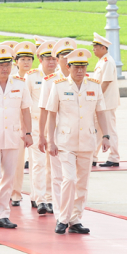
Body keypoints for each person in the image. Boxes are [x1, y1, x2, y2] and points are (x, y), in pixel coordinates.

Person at [46, 48, 110, 235]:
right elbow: (51, 115)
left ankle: (75, 219)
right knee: (70, 179)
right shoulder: (58, 86)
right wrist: (50, 140)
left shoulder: (94, 85)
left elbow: (101, 112)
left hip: (87, 140)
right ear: (68, 67)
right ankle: (63, 218)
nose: (80, 71)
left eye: (83, 67)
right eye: (76, 67)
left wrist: (106, 136)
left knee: (82, 182)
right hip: (65, 141)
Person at [0, 45, 33, 229]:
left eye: (8, 64)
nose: (5, 68)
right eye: (1, 65)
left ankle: (2, 214)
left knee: (9, 177)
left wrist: (28, 133)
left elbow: (25, 110)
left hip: (12, 136)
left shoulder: (19, 84)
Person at [38, 38, 77, 221]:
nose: (67, 59)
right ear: (58, 58)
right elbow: (44, 110)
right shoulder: (50, 81)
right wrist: (43, 136)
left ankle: (72, 214)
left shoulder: (81, 77)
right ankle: (61, 216)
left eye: (71, 56)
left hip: (77, 135)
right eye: (64, 56)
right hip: (56, 134)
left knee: (74, 178)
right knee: (58, 176)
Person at [27, 40, 57, 214]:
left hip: (53, 126)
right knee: (38, 164)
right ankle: (40, 200)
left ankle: (49, 197)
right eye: (48, 59)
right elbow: (25, 104)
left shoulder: (59, 77)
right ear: (40, 58)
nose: (51, 62)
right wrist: (27, 130)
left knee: (51, 163)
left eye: (54, 58)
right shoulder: (31, 76)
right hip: (36, 124)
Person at [9, 41, 38, 207]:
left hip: (36, 125)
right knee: (17, 162)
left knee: (38, 164)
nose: (26, 62)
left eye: (29, 59)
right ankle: (15, 194)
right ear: (16, 61)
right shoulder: (12, 80)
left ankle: (37, 196)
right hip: (18, 127)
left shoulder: (38, 77)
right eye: (23, 59)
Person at [93, 33, 120, 167]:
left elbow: (106, 81)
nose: (94, 50)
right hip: (102, 102)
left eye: (96, 47)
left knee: (109, 130)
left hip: (107, 101)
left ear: (103, 48)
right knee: (97, 130)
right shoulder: (101, 61)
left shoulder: (108, 61)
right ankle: (93, 156)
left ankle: (114, 157)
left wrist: (97, 97)